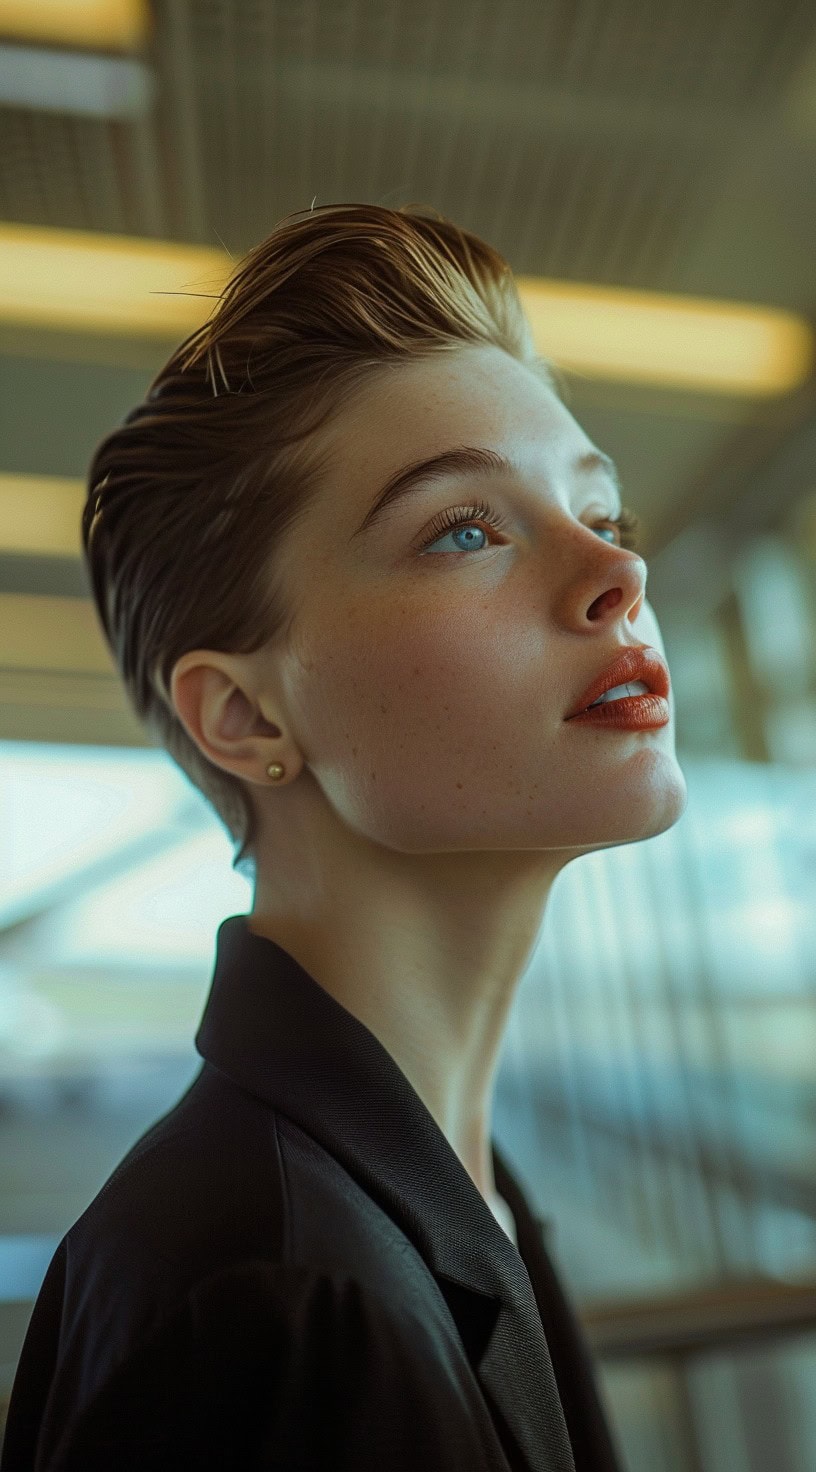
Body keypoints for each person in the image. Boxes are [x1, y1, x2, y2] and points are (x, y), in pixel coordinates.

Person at [1, 203, 687, 1471]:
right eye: (465, 528)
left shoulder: (438, 1198)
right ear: (249, 714)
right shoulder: (281, 1301)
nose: (615, 572)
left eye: (608, 514)